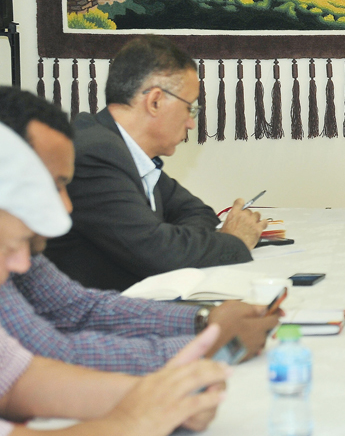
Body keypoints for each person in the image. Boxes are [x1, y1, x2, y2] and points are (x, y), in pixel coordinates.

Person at [0, 123, 228, 436]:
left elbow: (18, 378)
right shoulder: (100, 151)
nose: (23, 263)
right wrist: (132, 422)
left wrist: (165, 397)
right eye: (54, 184)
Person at [0, 88, 278, 373]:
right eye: (54, 185)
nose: (67, 206)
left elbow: (84, 308)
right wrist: (209, 345)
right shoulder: (98, 150)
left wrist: (205, 320)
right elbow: (52, 355)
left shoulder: (20, 250)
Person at [44, 36, 268, 291]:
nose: (191, 123)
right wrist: (232, 240)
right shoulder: (94, 155)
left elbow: (198, 213)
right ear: (155, 102)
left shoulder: (126, 151)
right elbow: (159, 255)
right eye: (189, 108)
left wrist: (167, 239)